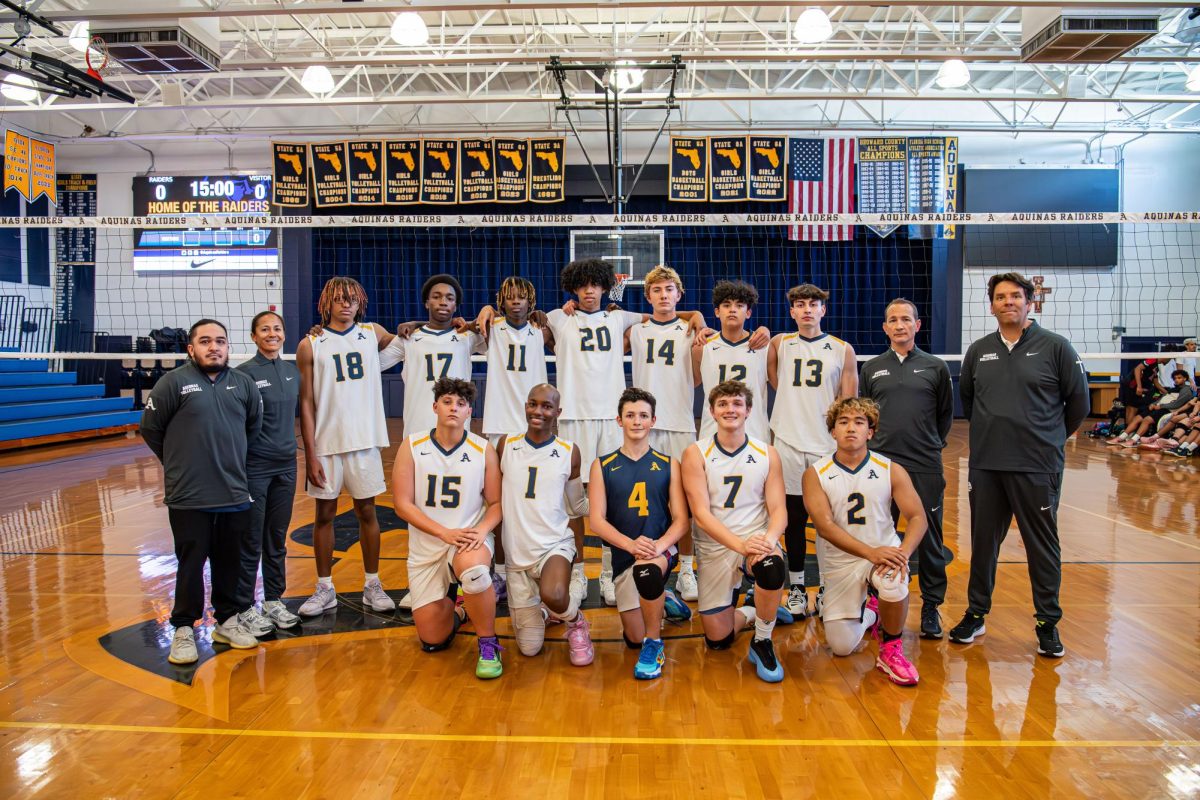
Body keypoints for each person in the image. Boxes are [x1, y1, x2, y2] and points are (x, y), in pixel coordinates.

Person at [952, 272, 1089, 658]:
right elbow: (968, 399)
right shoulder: (979, 350)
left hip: (1036, 466)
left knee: (1041, 546)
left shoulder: (1056, 347)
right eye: (1000, 297)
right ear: (991, 304)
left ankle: (1047, 623)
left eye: (1015, 296)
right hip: (987, 466)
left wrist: (1048, 440)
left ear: (1030, 302)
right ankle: (976, 613)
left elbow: (1079, 406)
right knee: (982, 545)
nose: (1008, 302)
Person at [140, 318, 264, 665]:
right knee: (191, 562)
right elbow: (151, 430)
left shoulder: (243, 384)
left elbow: (252, 430)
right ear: (190, 348)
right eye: (206, 341)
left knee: (230, 560)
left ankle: (226, 620)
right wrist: (179, 462)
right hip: (189, 494)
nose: (214, 347)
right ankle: (183, 628)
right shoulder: (172, 383)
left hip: (234, 492)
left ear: (228, 347)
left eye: (220, 341)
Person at [802, 397, 927, 686]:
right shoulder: (816, 474)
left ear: (870, 432)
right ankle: (872, 611)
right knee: (842, 646)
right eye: (843, 422)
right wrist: (871, 553)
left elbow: (918, 517)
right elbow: (825, 527)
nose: (851, 428)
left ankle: (891, 649)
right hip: (842, 561)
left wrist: (903, 553)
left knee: (894, 580)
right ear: (832, 431)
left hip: (882, 552)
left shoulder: (890, 469)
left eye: (859, 423)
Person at [296, 277, 398, 617]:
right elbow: (307, 403)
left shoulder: (372, 333)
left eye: (352, 299)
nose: (346, 304)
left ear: (360, 303)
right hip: (326, 444)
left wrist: (410, 324)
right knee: (324, 515)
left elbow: (408, 337)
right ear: (327, 302)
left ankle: (372, 583)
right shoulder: (311, 343)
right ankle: (325, 587)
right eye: (339, 298)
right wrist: (310, 453)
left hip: (364, 441)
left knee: (367, 512)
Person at [391, 378, 503, 679]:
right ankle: (461, 610)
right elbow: (402, 504)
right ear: (435, 406)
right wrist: (443, 533)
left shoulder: (483, 449)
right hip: (428, 548)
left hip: (467, 541)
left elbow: (496, 503)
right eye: (448, 402)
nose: (454, 408)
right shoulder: (412, 446)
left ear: (469, 412)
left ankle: (488, 643)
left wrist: (482, 531)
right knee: (432, 639)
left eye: (461, 404)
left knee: (474, 571)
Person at [682, 380, 790, 683]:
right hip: (717, 545)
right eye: (723, 404)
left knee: (770, 566)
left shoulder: (767, 453)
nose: (731, 409)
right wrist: (742, 546)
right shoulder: (695, 453)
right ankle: (756, 609)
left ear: (749, 410)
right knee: (718, 640)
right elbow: (701, 515)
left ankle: (762, 639)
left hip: (757, 541)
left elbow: (779, 510)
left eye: (737, 404)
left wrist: (768, 541)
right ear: (713, 411)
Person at [858, 298, 953, 639]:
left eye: (906, 319)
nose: (899, 325)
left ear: (917, 324)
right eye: (893, 320)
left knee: (929, 537)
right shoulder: (870, 368)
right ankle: (874, 604)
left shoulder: (935, 367)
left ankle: (931, 607)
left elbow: (945, 416)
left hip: (924, 464)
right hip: (882, 465)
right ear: (885, 327)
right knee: (878, 535)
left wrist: (926, 444)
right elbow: (865, 417)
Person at [767, 283, 858, 618]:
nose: (807, 310)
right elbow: (777, 382)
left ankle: (827, 588)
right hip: (789, 443)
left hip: (824, 446)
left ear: (824, 310)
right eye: (800, 304)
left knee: (827, 522)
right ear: (791, 311)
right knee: (792, 520)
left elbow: (848, 402)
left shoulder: (841, 349)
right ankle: (796, 587)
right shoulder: (780, 344)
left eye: (814, 304)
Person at [588, 388, 692, 680]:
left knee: (646, 574)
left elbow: (682, 521)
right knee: (631, 637)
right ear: (619, 421)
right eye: (630, 415)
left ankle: (654, 644)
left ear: (653, 420)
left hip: (659, 552)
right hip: (625, 555)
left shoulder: (670, 464)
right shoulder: (602, 465)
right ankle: (664, 598)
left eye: (643, 415)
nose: (637, 421)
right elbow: (596, 521)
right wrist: (631, 545)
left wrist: (658, 546)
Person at [499, 383, 593, 665]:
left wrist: (609, 502)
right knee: (529, 648)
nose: (538, 411)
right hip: (516, 555)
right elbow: (493, 500)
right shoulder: (505, 445)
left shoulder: (569, 451)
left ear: (557, 412)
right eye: (532, 403)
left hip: (554, 545)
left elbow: (577, 506)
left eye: (546, 406)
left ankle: (576, 623)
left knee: (554, 594)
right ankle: (547, 614)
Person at [477, 276, 550, 603]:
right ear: (502, 301)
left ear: (531, 301)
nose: (517, 302)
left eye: (523, 297)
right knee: (496, 503)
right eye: (510, 298)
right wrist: (485, 310)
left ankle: (532, 565)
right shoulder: (490, 329)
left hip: (535, 429)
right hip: (499, 428)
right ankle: (500, 572)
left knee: (531, 502)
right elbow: (453, 324)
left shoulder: (541, 330)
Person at [233, 311, 303, 636]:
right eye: (265, 329)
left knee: (276, 539)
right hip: (255, 469)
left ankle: (274, 600)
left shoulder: (292, 372)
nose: (272, 333)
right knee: (250, 540)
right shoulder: (243, 374)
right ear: (254, 336)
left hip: (286, 467)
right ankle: (245, 607)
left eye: (277, 328)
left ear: (284, 335)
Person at [397, 274, 486, 439]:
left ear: (455, 306)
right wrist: (416, 324)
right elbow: (377, 349)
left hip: (457, 427)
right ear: (426, 303)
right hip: (417, 428)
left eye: (449, 298)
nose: (443, 302)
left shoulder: (467, 337)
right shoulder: (408, 338)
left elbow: (498, 328)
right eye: (436, 297)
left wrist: (487, 310)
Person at [693, 280, 770, 443]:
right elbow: (693, 382)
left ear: (748, 313)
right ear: (716, 312)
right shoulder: (702, 347)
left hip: (754, 434)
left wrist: (766, 330)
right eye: (726, 305)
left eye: (739, 305)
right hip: (712, 434)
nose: (732, 310)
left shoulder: (765, 347)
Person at [1109, 370, 1195, 448]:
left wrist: (1160, 406)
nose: (1176, 380)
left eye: (1179, 378)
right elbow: (1161, 399)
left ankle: (1133, 440)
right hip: (1158, 407)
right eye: (1175, 378)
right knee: (1137, 418)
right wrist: (1153, 404)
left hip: (1167, 410)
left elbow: (1177, 404)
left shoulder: (1186, 390)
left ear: (1185, 378)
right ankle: (1121, 437)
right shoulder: (1172, 389)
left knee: (1147, 420)